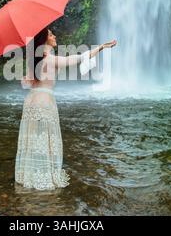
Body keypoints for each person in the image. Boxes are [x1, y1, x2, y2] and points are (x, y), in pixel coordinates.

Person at [15, 27, 117, 190]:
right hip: (45, 101)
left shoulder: (33, 59)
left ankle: (29, 175)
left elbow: (27, 82)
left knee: (34, 138)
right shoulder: (50, 59)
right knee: (46, 138)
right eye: (50, 34)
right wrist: (102, 47)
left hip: (31, 101)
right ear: (44, 39)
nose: (54, 35)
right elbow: (79, 58)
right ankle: (44, 176)